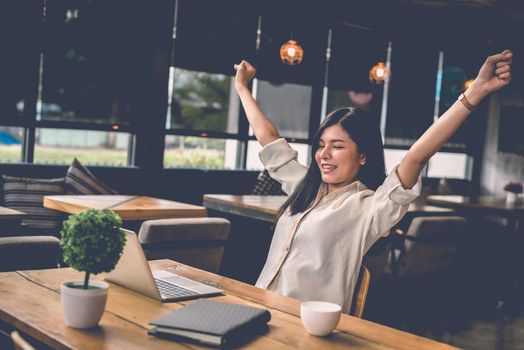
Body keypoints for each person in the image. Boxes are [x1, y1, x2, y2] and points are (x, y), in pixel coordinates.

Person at [233, 50, 513, 314]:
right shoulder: (304, 187)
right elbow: (269, 138)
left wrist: (473, 93)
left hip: (305, 328)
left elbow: (417, 155)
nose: (324, 154)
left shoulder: (370, 208)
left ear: (363, 155)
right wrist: (243, 89)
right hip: (260, 308)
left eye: (338, 146)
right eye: (321, 145)